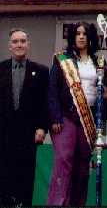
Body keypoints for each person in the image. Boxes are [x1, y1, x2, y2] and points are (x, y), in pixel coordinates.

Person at [47, 22, 107, 206]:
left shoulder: (99, 62)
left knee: (83, 165)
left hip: (88, 118)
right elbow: (52, 90)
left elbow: (104, 93)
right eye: (77, 33)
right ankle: (57, 203)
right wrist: (55, 117)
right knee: (64, 159)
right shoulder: (62, 60)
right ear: (72, 37)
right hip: (66, 117)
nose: (81, 37)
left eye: (85, 34)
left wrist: (105, 101)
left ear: (91, 38)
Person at [0, 28, 49, 206]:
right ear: (9, 46)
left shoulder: (42, 72)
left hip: (29, 134)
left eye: (22, 41)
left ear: (28, 45)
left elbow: (46, 103)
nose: (19, 44)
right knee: (4, 179)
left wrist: (42, 127)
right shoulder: (0, 69)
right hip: (3, 134)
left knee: (25, 178)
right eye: (15, 41)